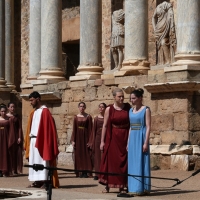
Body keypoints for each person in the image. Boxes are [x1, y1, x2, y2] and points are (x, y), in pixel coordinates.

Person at [24, 91, 59, 188]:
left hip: (42, 140)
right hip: (33, 140)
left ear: (38, 99)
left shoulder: (45, 111)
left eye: (32, 100)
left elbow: (48, 129)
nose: (30, 102)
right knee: (34, 161)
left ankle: (46, 181)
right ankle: (37, 181)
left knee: (42, 161)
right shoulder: (34, 112)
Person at [99, 88, 130, 193]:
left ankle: (122, 185)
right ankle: (108, 184)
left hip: (125, 136)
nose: (121, 98)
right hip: (113, 138)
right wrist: (102, 141)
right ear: (114, 97)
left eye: (122, 96)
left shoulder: (128, 107)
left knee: (124, 161)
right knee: (112, 161)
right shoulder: (109, 109)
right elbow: (104, 125)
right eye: (119, 96)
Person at [128, 88, 151, 195]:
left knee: (141, 161)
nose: (132, 100)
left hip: (141, 137)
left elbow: (148, 126)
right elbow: (130, 127)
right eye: (131, 98)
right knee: (133, 163)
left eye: (134, 98)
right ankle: (133, 187)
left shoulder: (146, 109)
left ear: (140, 98)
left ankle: (142, 187)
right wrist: (128, 142)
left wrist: (146, 142)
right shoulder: (130, 111)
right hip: (133, 137)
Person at [71, 102, 93, 178]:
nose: (82, 108)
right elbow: (74, 129)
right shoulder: (76, 117)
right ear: (78, 107)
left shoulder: (88, 117)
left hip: (86, 137)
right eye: (80, 106)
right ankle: (80, 171)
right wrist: (73, 140)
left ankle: (86, 172)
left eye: (83, 106)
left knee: (86, 154)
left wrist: (90, 140)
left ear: (85, 107)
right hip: (78, 138)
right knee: (79, 154)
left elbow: (91, 129)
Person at [7, 102, 23, 175]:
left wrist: (19, 137)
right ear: (8, 108)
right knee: (9, 152)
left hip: (16, 136)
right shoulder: (6, 116)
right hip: (8, 136)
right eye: (11, 107)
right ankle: (9, 169)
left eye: (14, 107)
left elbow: (19, 127)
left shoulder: (17, 116)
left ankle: (15, 169)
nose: (13, 108)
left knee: (16, 153)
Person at [92, 103, 107, 180]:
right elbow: (94, 131)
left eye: (102, 107)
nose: (101, 108)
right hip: (98, 138)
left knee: (104, 156)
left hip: (106, 138)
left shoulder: (107, 118)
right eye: (100, 107)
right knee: (97, 156)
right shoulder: (96, 119)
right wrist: (93, 141)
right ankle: (97, 173)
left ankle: (104, 173)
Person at [0, 104, 10, 177]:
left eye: (4, 111)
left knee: (5, 152)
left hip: (6, 136)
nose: (3, 113)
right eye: (2, 111)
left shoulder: (9, 119)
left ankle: (5, 170)